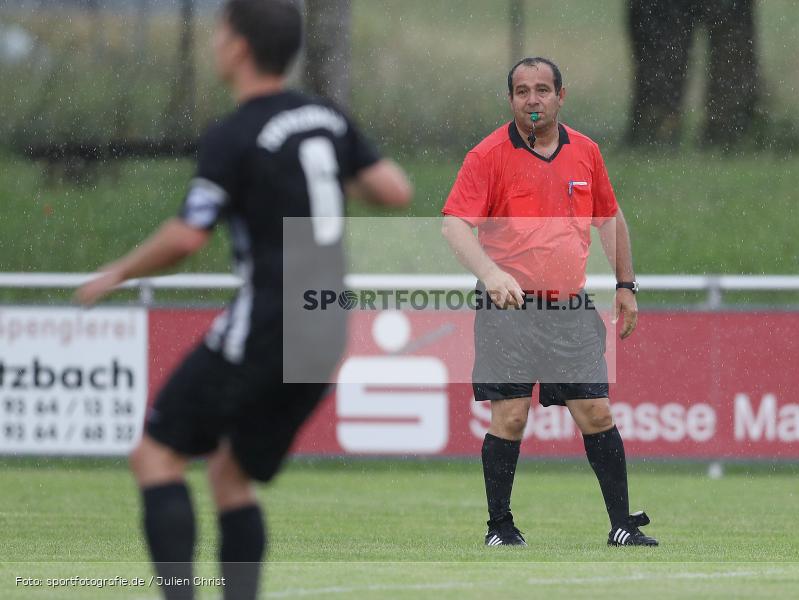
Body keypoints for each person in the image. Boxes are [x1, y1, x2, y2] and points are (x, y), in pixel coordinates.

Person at [76, 1, 411, 598]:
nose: (214, 44)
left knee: (156, 457)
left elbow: (187, 234)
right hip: (326, 324)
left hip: (271, 316)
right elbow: (394, 190)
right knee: (230, 475)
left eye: (219, 33)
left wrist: (117, 271)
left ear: (237, 48)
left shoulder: (235, 134)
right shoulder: (324, 116)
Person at [441, 57, 657, 547]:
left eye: (542, 90)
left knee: (596, 413)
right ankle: (500, 527)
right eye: (522, 91)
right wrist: (491, 274)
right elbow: (454, 224)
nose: (532, 100)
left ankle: (621, 525)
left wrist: (626, 285)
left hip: (569, 308)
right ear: (511, 99)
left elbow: (610, 218)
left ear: (562, 96)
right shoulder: (487, 155)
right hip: (509, 311)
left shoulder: (586, 152)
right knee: (511, 416)